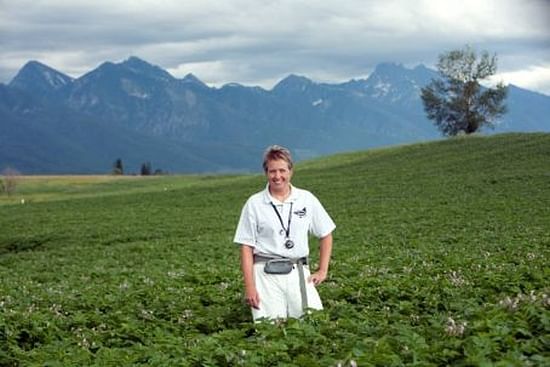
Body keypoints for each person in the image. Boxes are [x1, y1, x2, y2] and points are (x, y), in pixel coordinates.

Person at [234, 145, 336, 321]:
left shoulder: (306, 199)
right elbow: (246, 248)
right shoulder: (255, 203)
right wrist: (250, 286)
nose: (277, 176)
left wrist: (323, 270)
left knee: (313, 321)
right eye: (272, 171)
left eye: (282, 170)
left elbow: (326, 234)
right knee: (269, 328)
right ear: (266, 173)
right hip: (265, 274)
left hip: (298, 272)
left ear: (291, 171)